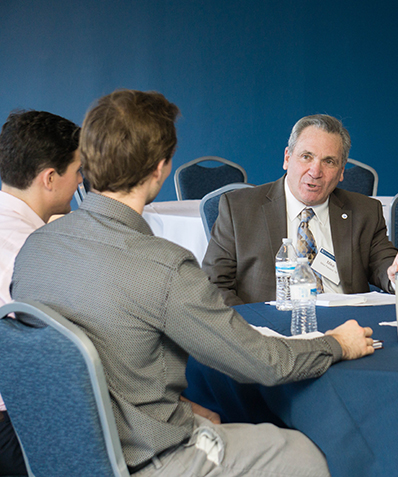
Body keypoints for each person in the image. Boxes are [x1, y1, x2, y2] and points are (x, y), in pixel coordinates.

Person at [11, 90, 375, 477]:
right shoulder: (163, 267)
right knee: (306, 452)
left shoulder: (35, 249)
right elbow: (265, 364)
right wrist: (337, 344)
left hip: (64, 457)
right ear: (161, 169)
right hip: (150, 461)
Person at [202, 114, 398, 306]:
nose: (315, 171)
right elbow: (214, 285)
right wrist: (247, 330)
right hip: (270, 333)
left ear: (342, 171)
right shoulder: (239, 208)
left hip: (347, 328)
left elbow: (384, 264)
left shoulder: (365, 211)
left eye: (329, 162)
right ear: (287, 158)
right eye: (306, 157)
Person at [0, 110, 82, 476]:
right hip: (15, 425)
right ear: (50, 178)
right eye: (78, 171)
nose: (81, 181)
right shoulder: (33, 253)